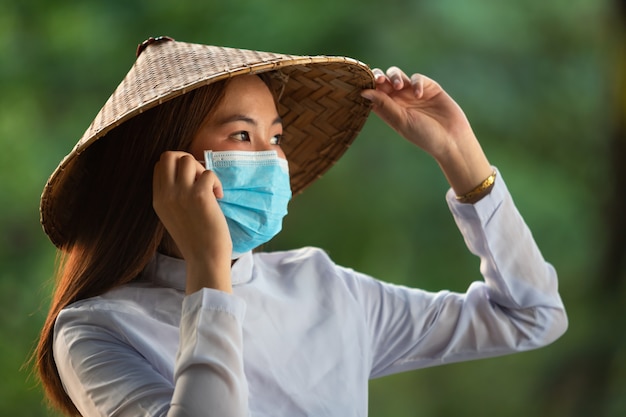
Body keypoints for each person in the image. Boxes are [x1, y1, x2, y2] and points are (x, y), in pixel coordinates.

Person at [35, 36, 567, 417]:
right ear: (161, 168)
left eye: (277, 137)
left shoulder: (324, 287)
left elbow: (531, 316)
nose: (271, 159)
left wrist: (462, 157)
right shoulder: (94, 330)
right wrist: (208, 266)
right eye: (242, 136)